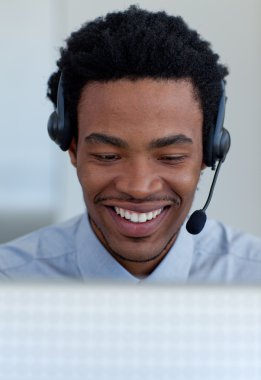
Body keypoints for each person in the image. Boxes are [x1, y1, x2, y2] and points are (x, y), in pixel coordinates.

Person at [0, 6, 260, 282]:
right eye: (108, 155)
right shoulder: (10, 280)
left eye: (171, 157)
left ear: (209, 154)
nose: (138, 187)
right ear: (73, 148)